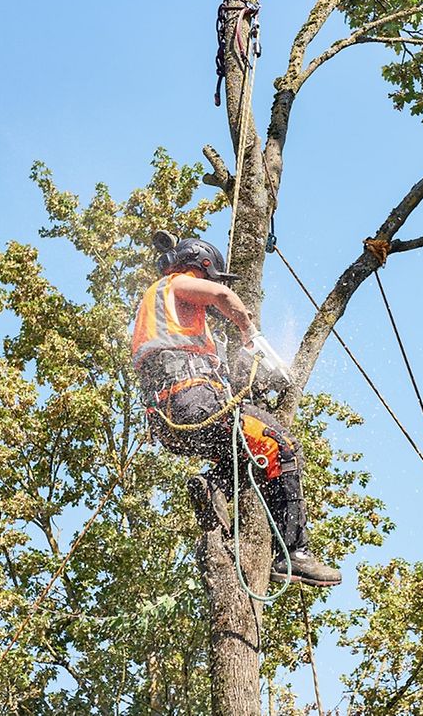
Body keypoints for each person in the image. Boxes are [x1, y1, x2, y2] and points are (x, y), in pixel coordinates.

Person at [132, 235, 341, 588]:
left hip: (170, 420)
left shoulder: (166, 317)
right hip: (193, 399)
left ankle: (214, 485)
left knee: (249, 459)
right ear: (203, 266)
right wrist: (250, 333)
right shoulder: (178, 283)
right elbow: (223, 297)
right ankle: (294, 554)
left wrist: (259, 381)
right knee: (281, 445)